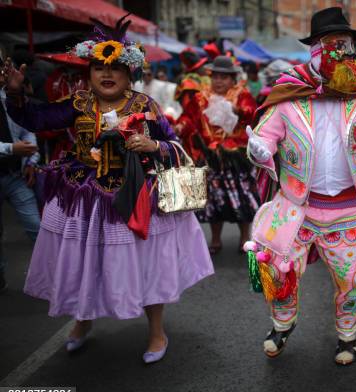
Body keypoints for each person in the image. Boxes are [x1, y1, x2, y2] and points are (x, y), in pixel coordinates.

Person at [3, 15, 214, 363]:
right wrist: (14, 93)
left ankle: (157, 331)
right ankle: (82, 322)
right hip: (84, 196)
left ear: (128, 72)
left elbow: (175, 146)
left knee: (147, 265)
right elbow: (36, 120)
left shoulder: (146, 107)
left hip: (136, 197)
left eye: (115, 67)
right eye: (99, 66)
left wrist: (153, 147)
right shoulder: (78, 102)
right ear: (89, 71)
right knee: (86, 262)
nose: (107, 73)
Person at [244, 7, 356, 365]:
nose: (345, 54)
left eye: (349, 46)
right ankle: (282, 324)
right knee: (278, 269)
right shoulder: (288, 96)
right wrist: (259, 148)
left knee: (350, 281)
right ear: (315, 51)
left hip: (348, 209)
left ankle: (347, 337)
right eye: (335, 46)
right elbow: (266, 137)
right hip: (296, 208)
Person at [197, 56, 260, 253]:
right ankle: (215, 240)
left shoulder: (242, 94)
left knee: (243, 197)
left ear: (233, 79)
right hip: (212, 155)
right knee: (215, 199)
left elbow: (253, 114)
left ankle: (244, 238)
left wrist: (237, 110)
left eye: (224, 77)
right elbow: (193, 119)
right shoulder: (202, 96)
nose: (219, 81)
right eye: (215, 77)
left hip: (237, 156)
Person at [0, 68, 41, 293]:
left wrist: (32, 160)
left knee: (37, 227)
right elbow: (16, 144)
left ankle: (58, 276)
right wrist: (11, 149)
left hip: (16, 176)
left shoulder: (10, 101)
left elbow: (27, 132)